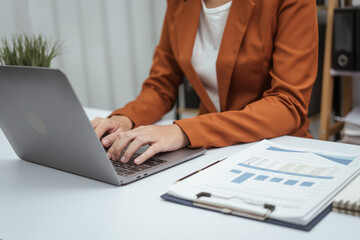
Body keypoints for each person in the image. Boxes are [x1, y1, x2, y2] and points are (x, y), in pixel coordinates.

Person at [91, 0, 318, 165]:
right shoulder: (179, 4)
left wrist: (183, 132)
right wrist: (126, 119)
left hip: (277, 148)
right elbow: (161, 86)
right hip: (212, 153)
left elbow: (288, 105)